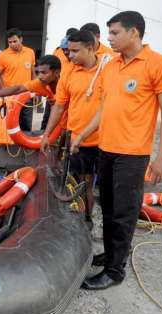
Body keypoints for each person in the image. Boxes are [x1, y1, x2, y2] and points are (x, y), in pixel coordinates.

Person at [72, 11, 162, 290]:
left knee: (124, 212)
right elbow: (104, 108)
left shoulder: (159, 65)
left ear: (134, 33)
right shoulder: (111, 66)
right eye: (109, 33)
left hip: (133, 154)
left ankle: (114, 271)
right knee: (107, 207)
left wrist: (161, 157)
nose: (109, 38)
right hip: (107, 148)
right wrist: (83, 133)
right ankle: (111, 253)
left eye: (115, 32)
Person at [41, 30, 107, 226]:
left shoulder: (109, 68)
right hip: (78, 141)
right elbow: (59, 106)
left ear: (90, 47)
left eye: (75, 51)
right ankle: (85, 222)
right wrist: (46, 134)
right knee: (81, 183)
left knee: (104, 188)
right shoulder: (69, 72)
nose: (70, 56)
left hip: (106, 142)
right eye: (68, 51)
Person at [0, 55, 61, 130]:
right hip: (56, 111)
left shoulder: (66, 85)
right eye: (38, 72)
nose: (39, 76)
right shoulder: (39, 83)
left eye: (44, 73)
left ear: (56, 73)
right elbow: (17, 89)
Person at [0, 28, 36, 131]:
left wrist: (35, 90)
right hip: (11, 97)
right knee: (11, 124)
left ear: (21, 39)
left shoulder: (30, 52)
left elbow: (32, 72)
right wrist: (4, 92)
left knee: (26, 123)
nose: (12, 44)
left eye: (15, 41)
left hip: (26, 95)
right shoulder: (3, 55)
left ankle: (25, 146)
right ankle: (9, 146)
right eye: (10, 42)